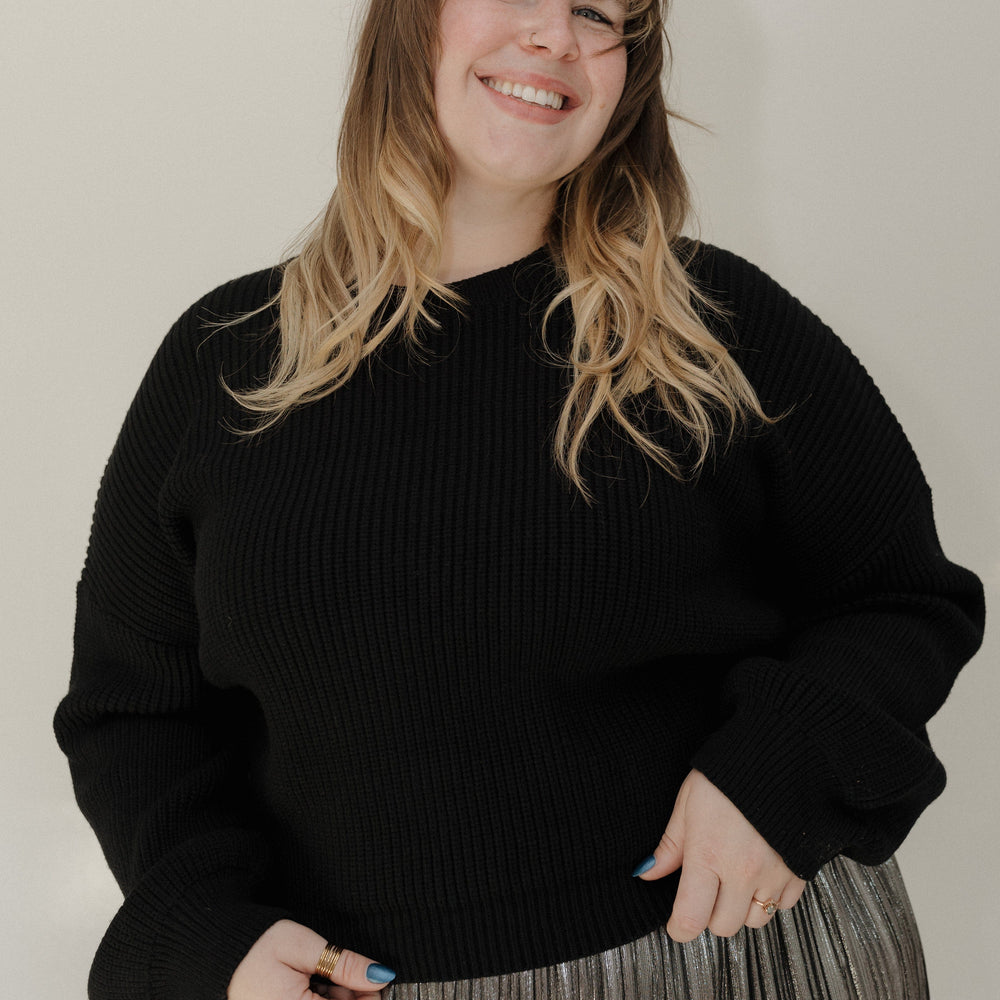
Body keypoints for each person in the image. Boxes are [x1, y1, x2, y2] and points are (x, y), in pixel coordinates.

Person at [54, 1, 985, 999]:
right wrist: (209, 933)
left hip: (732, 960)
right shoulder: (222, 362)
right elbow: (132, 715)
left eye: (600, 12)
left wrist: (783, 768)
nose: (557, 35)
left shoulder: (717, 330)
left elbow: (900, 598)